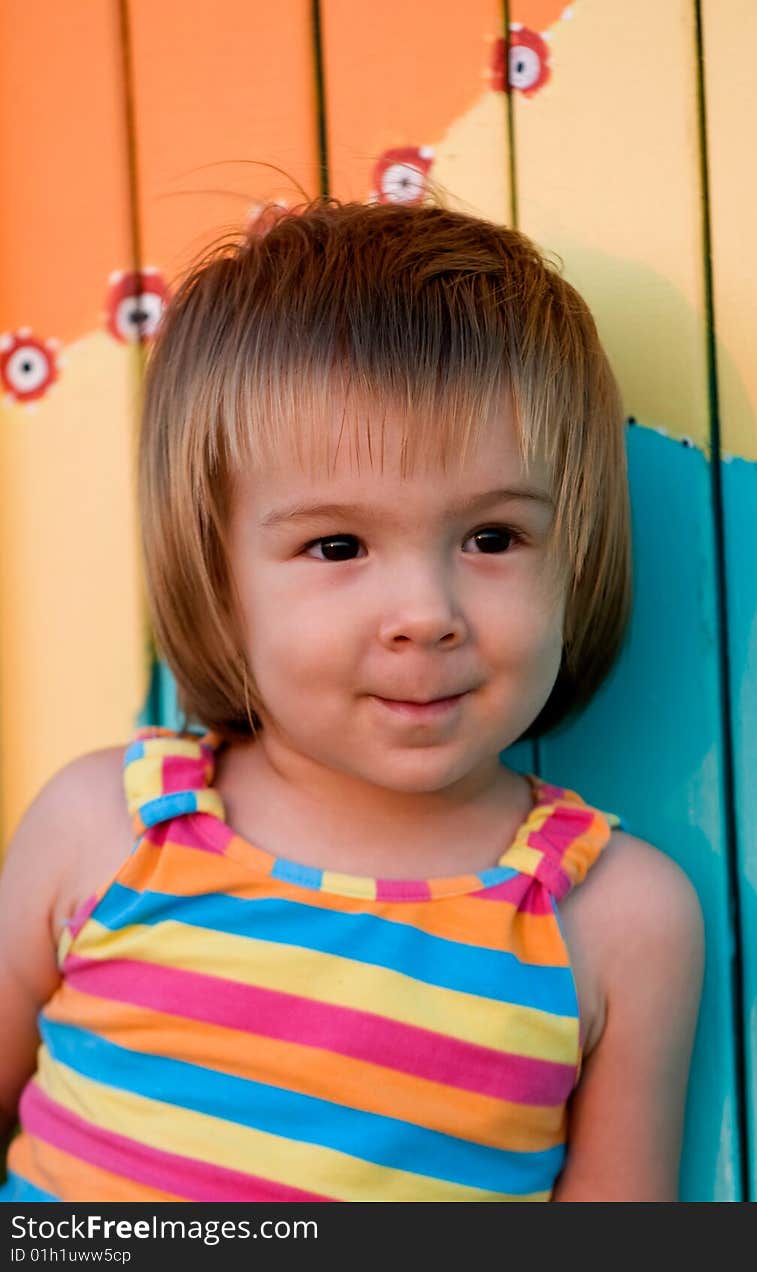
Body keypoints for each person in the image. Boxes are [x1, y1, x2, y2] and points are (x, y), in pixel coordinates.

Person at [0, 199, 703, 1202]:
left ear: (574, 555)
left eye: (493, 537)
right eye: (337, 547)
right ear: (217, 573)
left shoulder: (613, 921)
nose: (426, 613)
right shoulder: (102, 829)